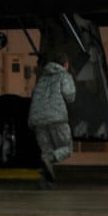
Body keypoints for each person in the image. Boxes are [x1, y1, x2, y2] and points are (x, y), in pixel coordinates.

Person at [28, 50, 76, 189]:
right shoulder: (64, 75)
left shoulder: (42, 77)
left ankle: (45, 182)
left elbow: (34, 95)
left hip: (37, 119)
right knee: (67, 148)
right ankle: (47, 161)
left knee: (46, 150)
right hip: (56, 118)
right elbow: (70, 96)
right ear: (65, 64)